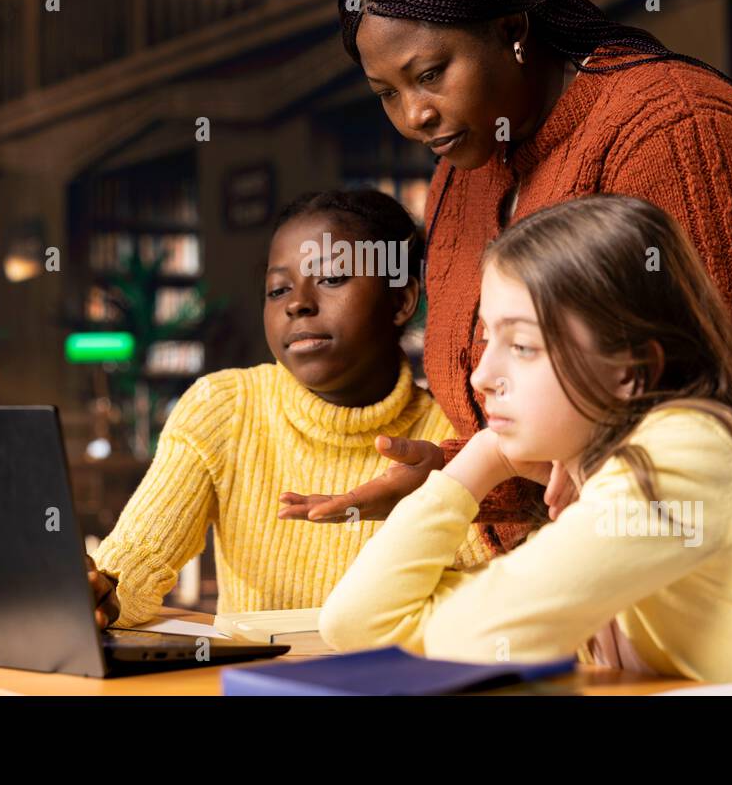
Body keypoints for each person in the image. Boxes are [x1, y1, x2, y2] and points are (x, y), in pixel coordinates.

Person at [283, 0, 732, 556]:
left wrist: (486, 469)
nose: (414, 115)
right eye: (387, 93)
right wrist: (454, 476)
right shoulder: (460, 180)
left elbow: (702, 421)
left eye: (430, 75)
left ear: (512, 28)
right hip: (570, 600)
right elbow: (541, 428)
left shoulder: (672, 128)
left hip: (727, 575)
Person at [318, 196, 732, 695]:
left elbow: (466, 640)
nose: (481, 374)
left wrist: (486, 460)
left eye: (521, 345)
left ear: (631, 369)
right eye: (487, 337)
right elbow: (355, 623)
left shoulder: (683, 452)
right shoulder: (618, 469)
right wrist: (480, 459)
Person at [86, 190, 488, 628]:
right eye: (278, 289)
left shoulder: (456, 434)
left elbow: (490, 600)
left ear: (401, 300)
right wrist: (105, 592)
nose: (296, 303)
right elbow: (136, 563)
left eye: (332, 278)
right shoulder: (224, 406)